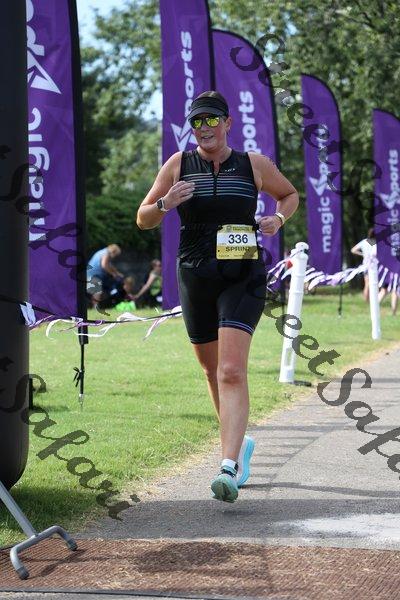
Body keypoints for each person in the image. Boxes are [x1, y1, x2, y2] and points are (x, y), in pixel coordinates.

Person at [136, 91, 299, 503]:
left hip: (242, 274)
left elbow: (290, 194)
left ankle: (228, 465)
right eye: (197, 122)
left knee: (230, 370)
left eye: (212, 120)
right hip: (195, 276)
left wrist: (278, 219)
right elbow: (143, 218)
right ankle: (239, 444)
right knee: (211, 372)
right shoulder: (178, 165)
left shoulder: (252, 164)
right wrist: (165, 202)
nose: (205, 128)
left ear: (227, 123)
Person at [351, 229, 377, 301]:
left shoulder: (364, 241)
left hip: (365, 265)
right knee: (375, 284)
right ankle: (373, 300)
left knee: (367, 284)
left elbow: (353, 250)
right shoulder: (376, 242)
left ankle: (366, 300)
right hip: (374, 265)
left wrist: (362, 254)